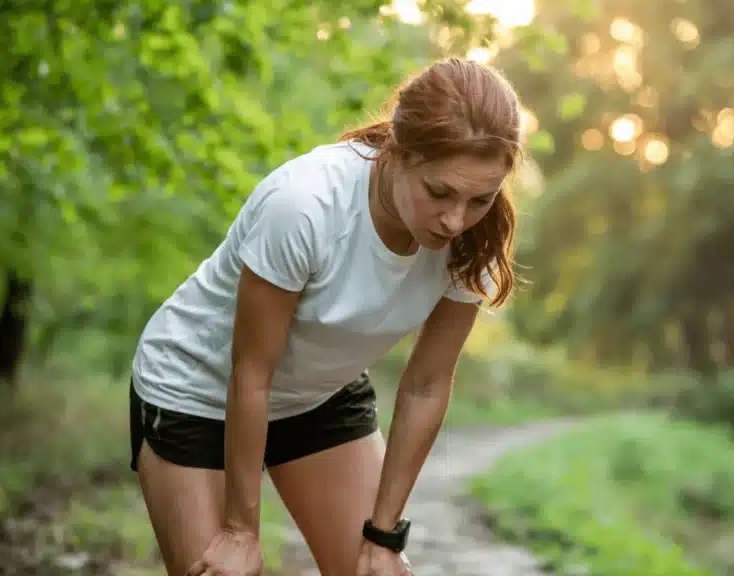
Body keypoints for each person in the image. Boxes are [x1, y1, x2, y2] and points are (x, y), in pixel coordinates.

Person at [128, 56, 523, 576]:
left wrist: (384, 535)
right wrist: (240, 532)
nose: (455, 219)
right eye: (439, 192)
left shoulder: (476, 242)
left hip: (317, 396)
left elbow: (426, 386)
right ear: (397, 152)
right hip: (196, 389)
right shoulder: (306, 206)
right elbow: (251, 372)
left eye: (480, 198)